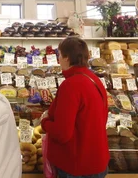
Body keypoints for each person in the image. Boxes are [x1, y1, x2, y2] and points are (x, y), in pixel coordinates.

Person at [41, 37, 109, 178]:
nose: (58, 59)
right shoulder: (94, 79)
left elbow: (62, 133)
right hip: (97, 160)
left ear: (67, 57)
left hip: (76, 164)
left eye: (59, 55)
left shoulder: (71, 85)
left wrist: (45, 122)